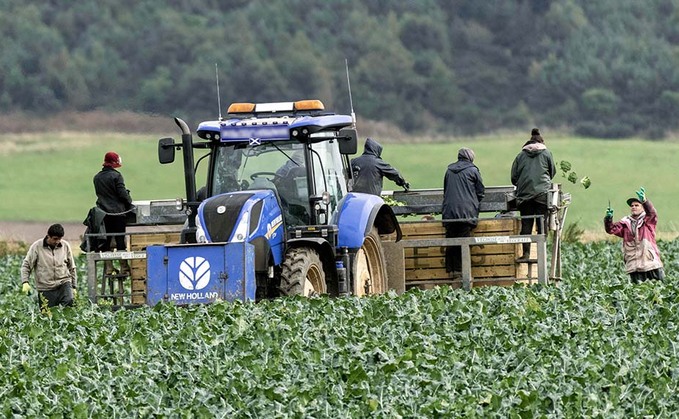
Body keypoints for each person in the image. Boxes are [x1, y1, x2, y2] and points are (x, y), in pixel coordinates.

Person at [510, 128, 556, 262]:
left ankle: (526, 254)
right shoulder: (547, 153)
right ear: (542, 142)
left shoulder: (520, 156)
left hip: (524, 196)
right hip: (542, 194)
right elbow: (552, 172)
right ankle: (542, 254)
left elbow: (514, 177)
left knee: (526, 224)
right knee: (542, 223)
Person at [604, 187, 664, 283]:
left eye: (637, 205)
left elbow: (652, 213)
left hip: (651, 264)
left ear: (642, 207)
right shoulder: (625, 223)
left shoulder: (648, 220)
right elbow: (611, 229)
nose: (633, 207)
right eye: (632, 206)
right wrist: (608, 219)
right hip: (634, 265)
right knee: (638, 294)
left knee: (658, 291)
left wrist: (645, 201)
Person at [442, 148, 485, 277]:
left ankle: (451, 271)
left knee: (451, 240)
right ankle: (462, 273)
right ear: (470, 158)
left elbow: (446, 190)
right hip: (466, 212)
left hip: (449, 212)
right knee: (464, 242)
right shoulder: (473, 170)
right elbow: (480, 191)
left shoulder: (449, 170)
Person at [93, 151, 133, 275]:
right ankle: (124, 268)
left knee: (107, 240)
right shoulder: (116, 176)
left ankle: (109, 267)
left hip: (103, 214)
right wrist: (129, 202)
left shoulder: (97, 177)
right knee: (120, 240)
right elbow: (122, 194)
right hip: (118, 214)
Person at [20, 224, 77, 308]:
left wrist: (74, 286)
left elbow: (72, 267)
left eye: (60, 239)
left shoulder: (65, 246)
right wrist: (25, 282)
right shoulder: (37, 247)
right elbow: (26, 265)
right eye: (55, 239)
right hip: (45, 288)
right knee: (48, 316)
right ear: (48, 236)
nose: (57, 241)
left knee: (69, 304)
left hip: (63, 284)